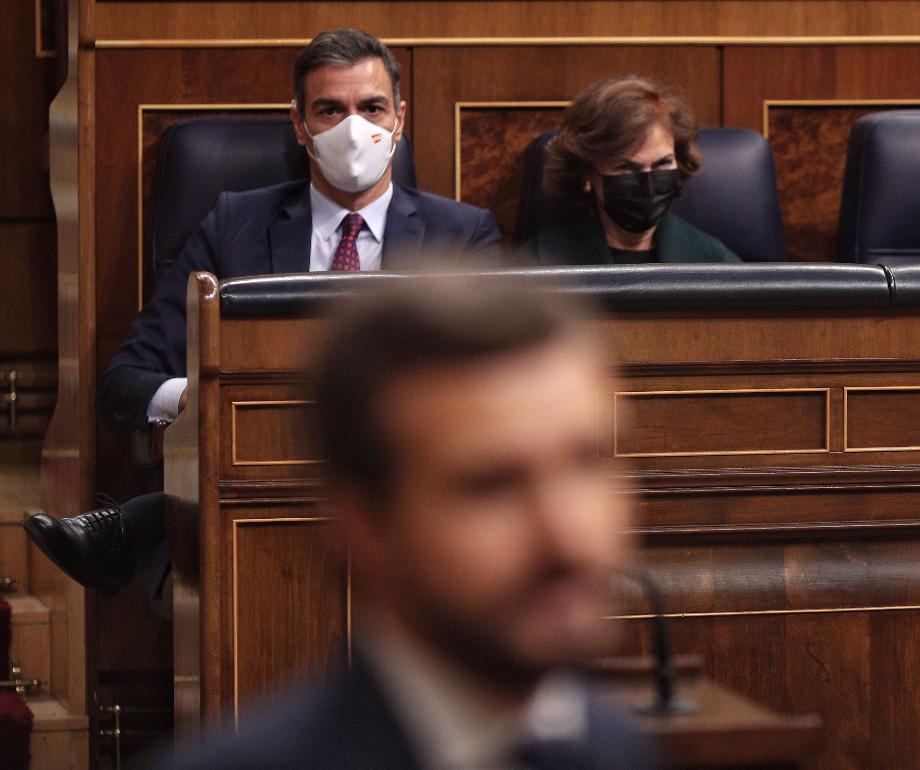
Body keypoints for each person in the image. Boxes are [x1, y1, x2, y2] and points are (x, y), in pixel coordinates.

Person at [24, 28, 502, 596]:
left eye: (371, 108)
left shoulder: (463, 235)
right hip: (252, 501)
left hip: (410, 491)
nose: (355, 128)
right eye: (330, 109)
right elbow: (124, 385)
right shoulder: (234, 225)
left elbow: (490, 387)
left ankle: (141, 522)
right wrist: (205, 397)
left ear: (399, 119)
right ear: (300, 124)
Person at [161, 276, 656, 770]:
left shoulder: (621, 749)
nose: (566, 535)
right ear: (359, 523)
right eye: (490, 487)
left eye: (588, 463)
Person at [520, 75, 740, 265]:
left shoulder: (714, 262)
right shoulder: (539, 262)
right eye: (626, 167)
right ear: (587, 170)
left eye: (663, 163)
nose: (648, 182)